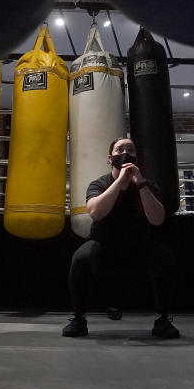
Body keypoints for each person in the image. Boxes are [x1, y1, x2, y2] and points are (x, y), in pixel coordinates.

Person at [62, 137, 180, 338]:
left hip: (139, 247)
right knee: (80, 259)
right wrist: (119, 182)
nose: (125, 153)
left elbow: (158, 219)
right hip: (104, 247)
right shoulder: (99, 184)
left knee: (164, 258)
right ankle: (79, 318)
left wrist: (140, 183)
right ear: (110, 158)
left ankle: (162, 319)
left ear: (136, 157)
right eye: (120, 149)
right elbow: (95, 213)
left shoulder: (148, 185)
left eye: (130, 149)